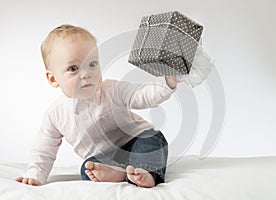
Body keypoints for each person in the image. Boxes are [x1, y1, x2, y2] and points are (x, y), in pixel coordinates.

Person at [15, 24, 179, 188]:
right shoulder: (56, 114)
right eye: (73, 68)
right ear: (53, 79)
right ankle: (120, 172)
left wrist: (166, 85)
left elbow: (140, 95)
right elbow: (45, 148)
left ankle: (146, 172)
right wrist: (34, 175)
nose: (86, 74)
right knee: (88, 168)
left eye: (92, 64)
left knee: (150, 144)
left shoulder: (112, 90)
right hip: (106, 158)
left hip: (136, 138)